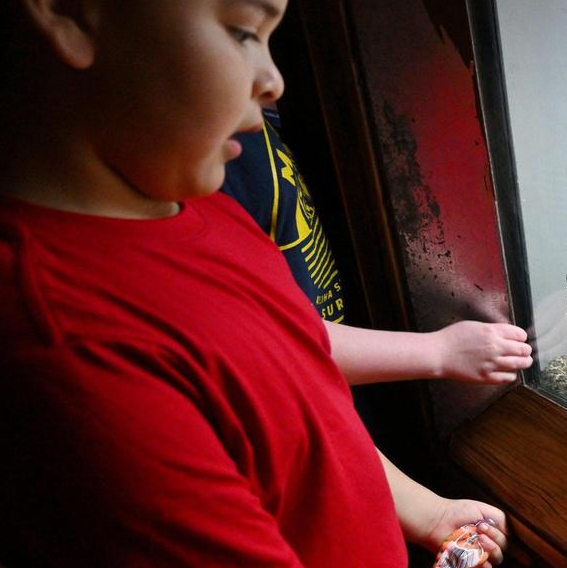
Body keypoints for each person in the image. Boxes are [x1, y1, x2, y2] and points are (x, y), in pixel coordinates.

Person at [0, 0, 562, 568]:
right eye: (245, 29)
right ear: (69, 1)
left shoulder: (187, 202)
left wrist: (416, 506)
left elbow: (294, 388)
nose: (274, 78)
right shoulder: (53, 343)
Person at [222, 107, 533, 386]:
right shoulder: (220, 161)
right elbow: (261, 341)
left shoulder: (279, 124)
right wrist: (440, 352)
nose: (270, 81)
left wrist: (462, 293)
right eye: (244, 41)